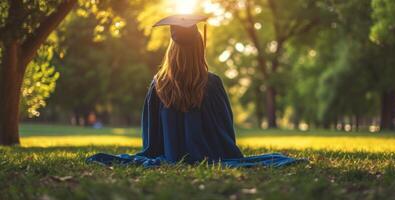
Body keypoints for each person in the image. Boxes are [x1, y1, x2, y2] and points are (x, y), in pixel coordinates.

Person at [86, 15, 303, 168]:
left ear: (171, 50)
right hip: (212, 155)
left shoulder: (158, 85)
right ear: (199, 47)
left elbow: (151, 141)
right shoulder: (212, 84)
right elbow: (224, 133)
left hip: (168, 156)